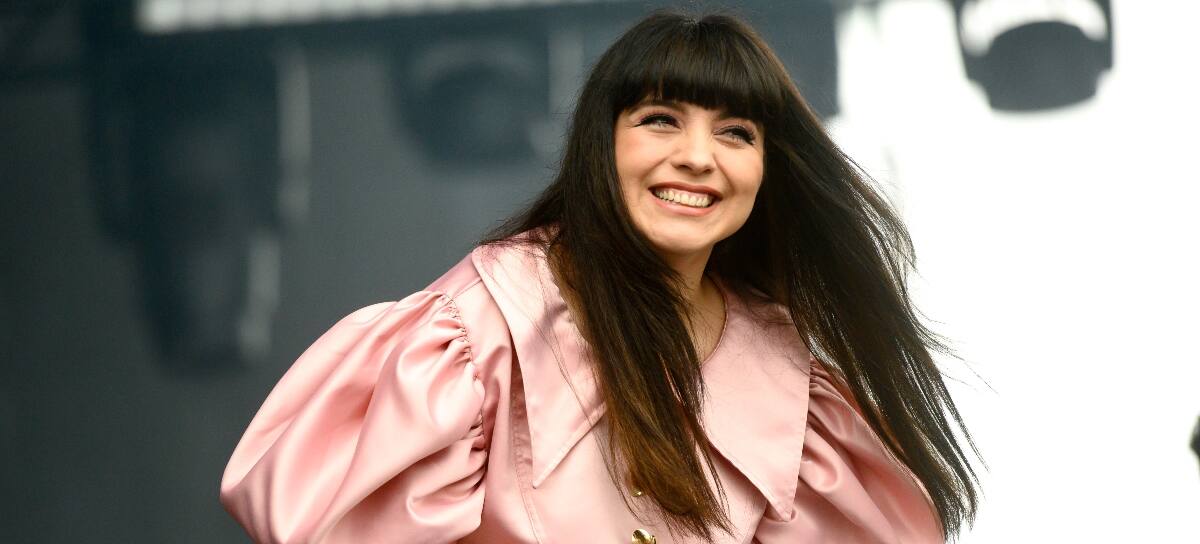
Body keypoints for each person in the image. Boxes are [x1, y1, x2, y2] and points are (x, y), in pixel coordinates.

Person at [219, 10, 981, 544]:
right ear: (600, 141)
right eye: (660, 120)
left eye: (736, 133)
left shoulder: (791, 395)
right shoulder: (476, 335)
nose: (697, 157)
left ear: (766, 169)